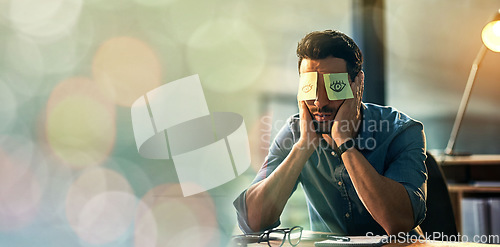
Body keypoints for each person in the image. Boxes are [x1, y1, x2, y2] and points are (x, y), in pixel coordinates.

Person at [233, 30, 427, 236]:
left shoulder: (401, 131)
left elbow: (399, 223)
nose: (320, 102)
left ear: (357, 84)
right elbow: (251, 221)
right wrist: (302, 148)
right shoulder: (295, 133)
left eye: (334, 87)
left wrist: (344, 144)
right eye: (310, 87)